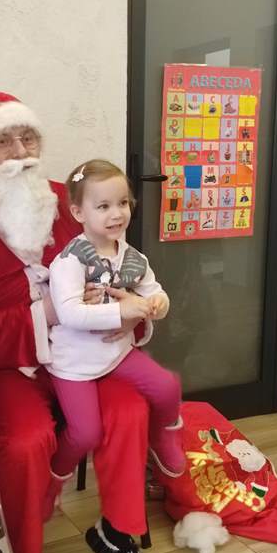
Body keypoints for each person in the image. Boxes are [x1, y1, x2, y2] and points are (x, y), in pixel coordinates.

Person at [0, 91, 162, 553]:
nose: (21, 152)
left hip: (84, 353)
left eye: (28, 138)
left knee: (129, 409)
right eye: (3, 141)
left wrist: (131, 313)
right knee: (26, 440)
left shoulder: (70, 200)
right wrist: (45, 312)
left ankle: (115, 536)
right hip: (6, 367)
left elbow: (124, 266)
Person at [46, 159, 184, 507]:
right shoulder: (69, 260)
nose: (117, 213)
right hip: (75, 364)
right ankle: (52, 481)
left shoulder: (134, 258)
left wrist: (157, 305)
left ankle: (161, 437)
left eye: (123, 203)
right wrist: (123, 311)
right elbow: (69, 314)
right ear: (78, 212)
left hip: (117, 353)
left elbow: (156, 292)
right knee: (85, 434)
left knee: (168, 386)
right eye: (103, 206)